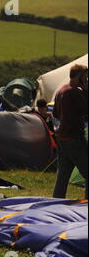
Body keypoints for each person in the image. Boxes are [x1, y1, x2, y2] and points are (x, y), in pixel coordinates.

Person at [52, 64, 88, 199]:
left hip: (62, 138)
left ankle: (55, 202)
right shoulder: (74, 92)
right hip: (74, 138)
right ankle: (86, 207)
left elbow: (55, 114)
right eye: (85, 76)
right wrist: (86, 90)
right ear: (80, 76)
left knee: (63, 176)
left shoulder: (61, 90)